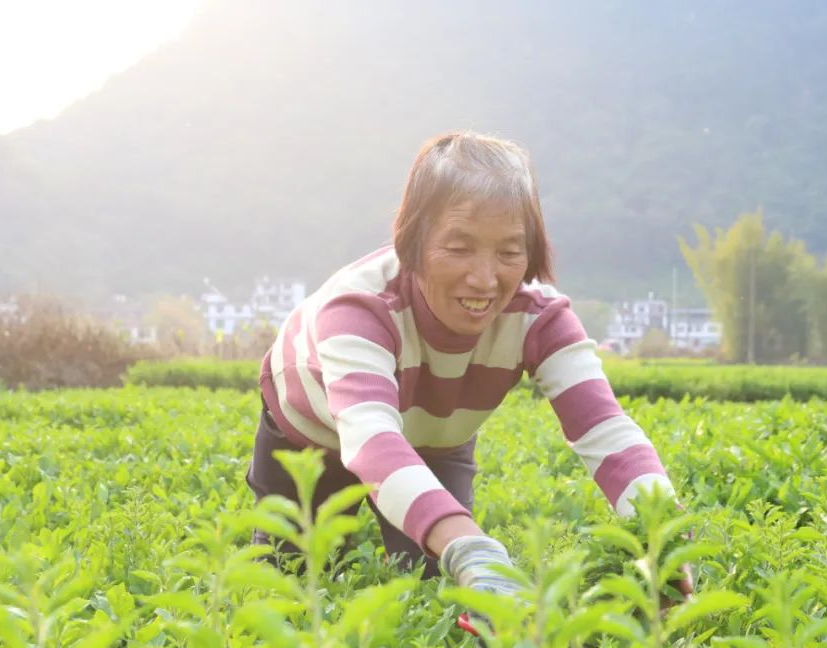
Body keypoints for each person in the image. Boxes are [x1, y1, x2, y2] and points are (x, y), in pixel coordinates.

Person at [246, 131, 693, 602]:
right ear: (412, 241)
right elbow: (373, 439)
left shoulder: (540, 318)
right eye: (459, 248)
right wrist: (469, 546)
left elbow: (606, 430)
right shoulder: (360, 308)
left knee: (437, 586)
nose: (484, 280)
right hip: (310, 434)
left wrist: (662, 532)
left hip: (435, 439)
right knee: (289, 582)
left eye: (508, 252)